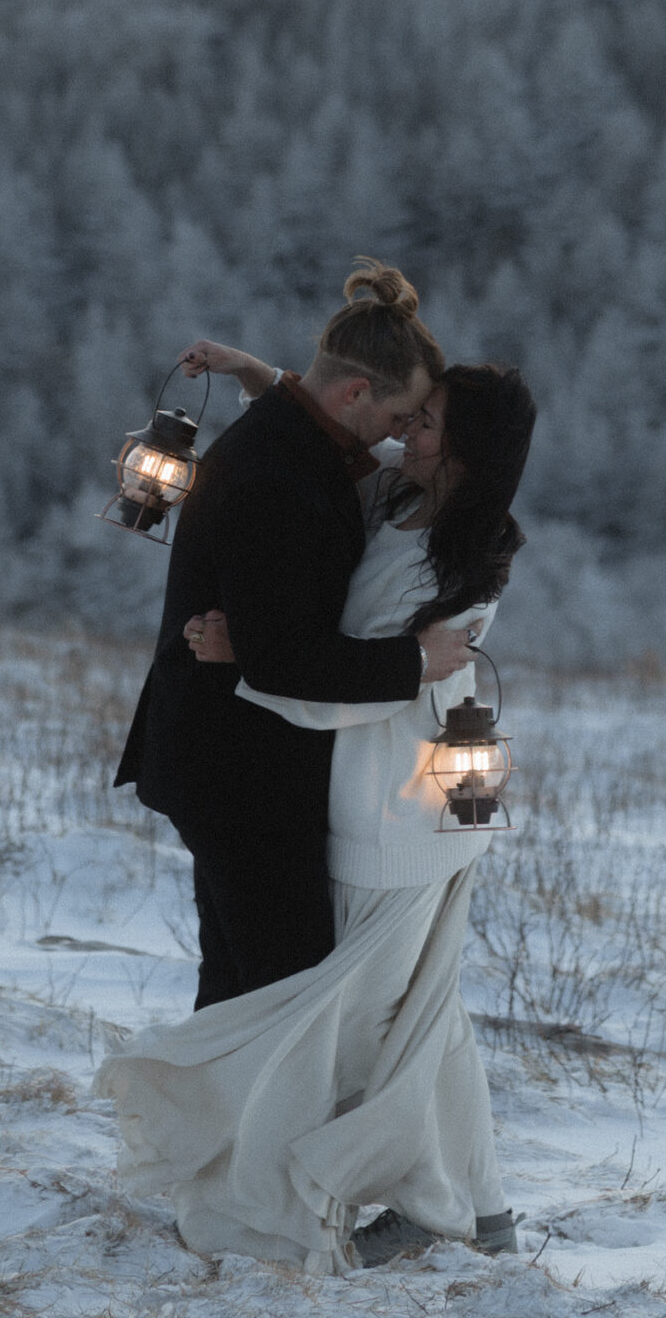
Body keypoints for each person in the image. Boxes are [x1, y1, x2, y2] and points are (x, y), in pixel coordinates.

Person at [97, 357, 535, 1274]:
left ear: (466, 447)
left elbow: (349, 687)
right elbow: (324, 430)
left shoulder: (454, 555)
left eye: (426, 423)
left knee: (351, 1024)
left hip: (395, 809)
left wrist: (251, 659)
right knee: (417, 1016)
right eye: (407, 415)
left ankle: (348, 1187)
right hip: (393, 799)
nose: (402, 432)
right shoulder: (395, 501)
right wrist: (269, 379)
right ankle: (471, 1207)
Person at [112, 260, 474, 1007]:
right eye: (399, 417)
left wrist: (257, 373)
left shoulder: (294, 433)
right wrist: (414, 661)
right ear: (354, 393)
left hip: (227, 759)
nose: (401, 438)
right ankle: (251, 1118)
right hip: (236, 769)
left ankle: (217, 1120)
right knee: (286, 989)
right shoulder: (278, 479)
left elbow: (311, 419)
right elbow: (280, 662)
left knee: (243, 982)